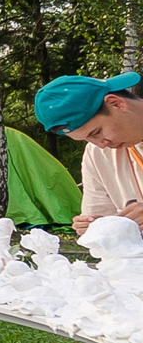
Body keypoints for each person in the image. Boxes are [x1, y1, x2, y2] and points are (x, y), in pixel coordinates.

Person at [37, 70, 143, 236]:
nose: (101, 145)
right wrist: (94, 227)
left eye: (96, 132)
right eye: (88, 139)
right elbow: (102, 218)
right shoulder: (96, 154)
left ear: (116, 104)